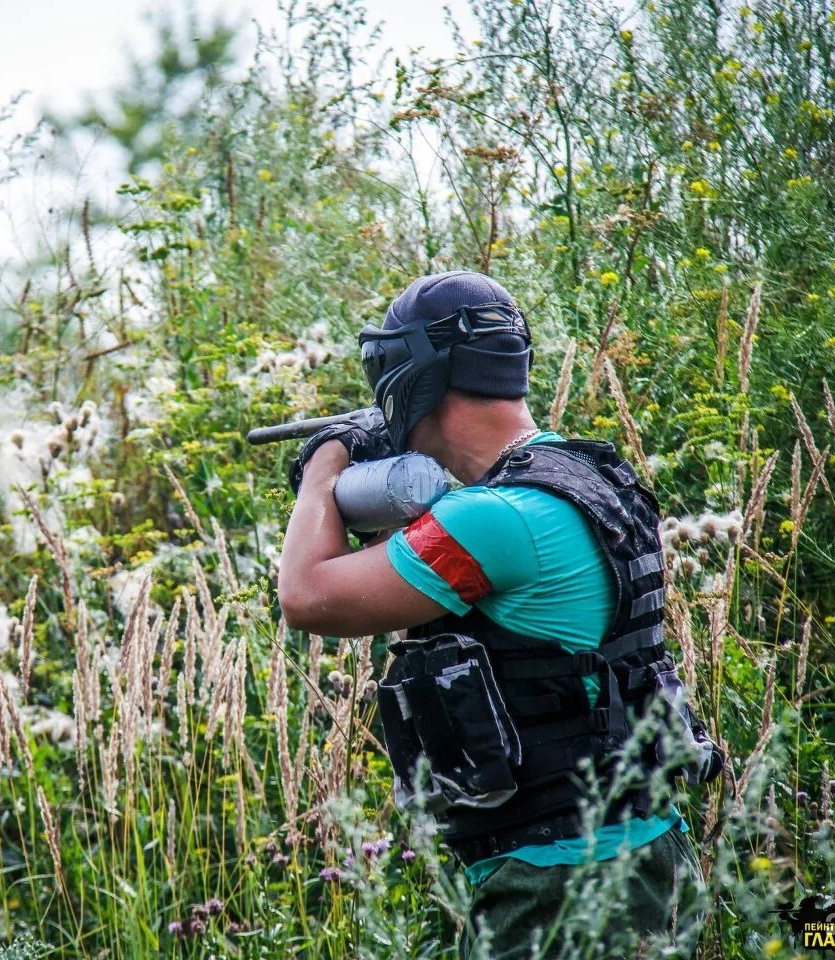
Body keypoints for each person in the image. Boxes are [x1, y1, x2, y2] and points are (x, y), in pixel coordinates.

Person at [278, 270, 717, 959]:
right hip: (640, 854)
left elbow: (306, 597)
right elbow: (433, 599)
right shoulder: (587, 478)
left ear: (410, 376)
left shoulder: (491, 519)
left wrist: (324, 465)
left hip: (565, 883)